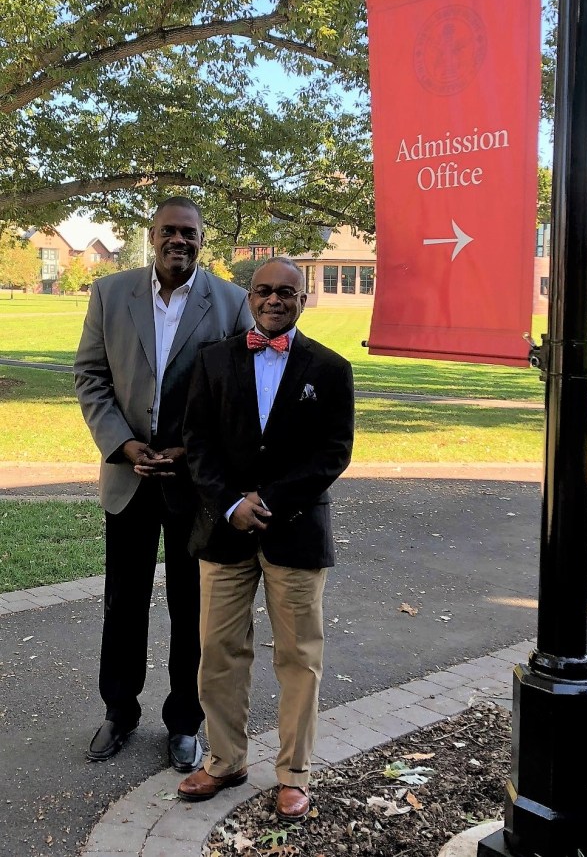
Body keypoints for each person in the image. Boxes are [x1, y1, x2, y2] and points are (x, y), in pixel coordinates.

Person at [74, 196, 252, 771]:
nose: (179, 241)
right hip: (128, 477)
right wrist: (123, 445)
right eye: (168, 231)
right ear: (151, 237)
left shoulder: (229, 302)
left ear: (203, 240)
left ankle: (184, 723)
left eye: (190, 233)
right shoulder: (109, 293)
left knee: (189, 604)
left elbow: (243, 390)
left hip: (192, 482)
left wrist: (193, 449)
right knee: (123, 601)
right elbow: (92, 376)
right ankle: (119, 712)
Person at [177, 257, 354, 820]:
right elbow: (196, 443)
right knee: (218, 652)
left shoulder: (329, 368)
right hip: (224, 531)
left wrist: (271, 500)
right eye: (263, 291)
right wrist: (231, 503)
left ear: (303, 299)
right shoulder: (213, 362)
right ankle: (225, 760)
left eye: (287, 292)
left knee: (299, 657)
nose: (274, 299)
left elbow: (334, 452)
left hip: (295, 532)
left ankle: (294, 773)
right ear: (248, 298)